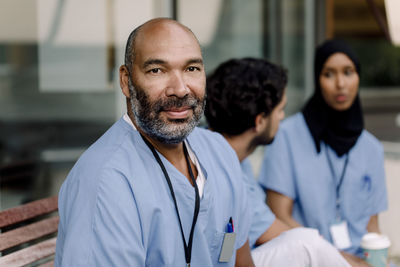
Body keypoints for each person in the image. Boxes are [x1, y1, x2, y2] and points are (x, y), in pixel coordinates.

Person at [55, 18, 253, 267]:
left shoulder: (218, 151)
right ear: (127, 81)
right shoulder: (106, 181)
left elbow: (238, 258)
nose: (180, 90)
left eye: (191, 68)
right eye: (157, 70)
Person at [205, 57, 350, 267]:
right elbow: (282, 237)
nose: (282, 117)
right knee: (307, 245)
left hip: (236, 256)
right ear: (259, 120)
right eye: (280, 109)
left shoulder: (235, 158)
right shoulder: (215, 167)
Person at [258, 40, 388, 265]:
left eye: (348, 72)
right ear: (317, 79)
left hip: (359, 260)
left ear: (358, 77)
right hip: (307, 258)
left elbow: (372, 227)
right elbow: (279, 216)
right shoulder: (287, 136)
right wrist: (334, 257)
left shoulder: (372, 148)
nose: (340, 84)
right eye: (329, 74)